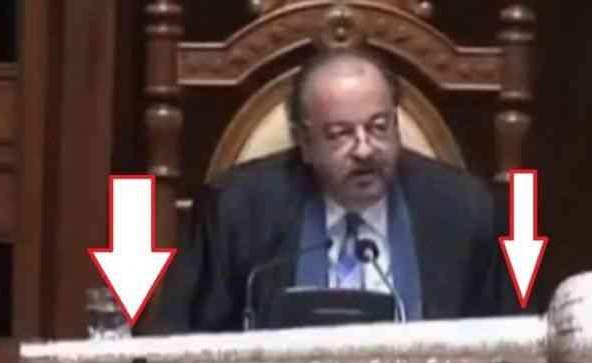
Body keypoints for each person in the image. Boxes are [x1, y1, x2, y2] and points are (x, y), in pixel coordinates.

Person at [149, 48, 520, 333]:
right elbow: (183, 342)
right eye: (340, 134)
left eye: (379, 127)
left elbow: (507, 342)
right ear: (303, 141)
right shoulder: (236, 211)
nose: (365, 149)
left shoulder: (465, 209)